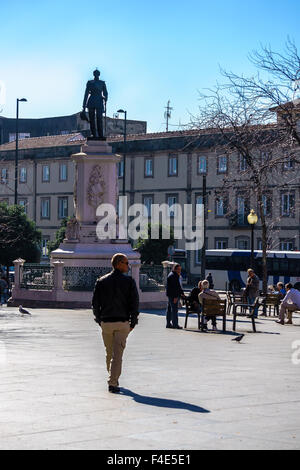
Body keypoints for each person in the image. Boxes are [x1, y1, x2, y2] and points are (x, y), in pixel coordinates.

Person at [92, 253, 139, 393]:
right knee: (117, 354)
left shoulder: (101, 281)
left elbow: (95, 303)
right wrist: (133, 322)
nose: (128, 265)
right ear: (118, 263)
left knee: (110, 352)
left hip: (106, 322)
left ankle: (112, 379)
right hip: (122, 322)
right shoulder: (129, 281)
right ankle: (113, 380)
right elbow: (134, 303)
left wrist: (99, 319)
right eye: (126, 263)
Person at [83, 69, 108, 139]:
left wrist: (106, 98)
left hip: (99, 101)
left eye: (97, 73)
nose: (96, 75)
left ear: (99, 74)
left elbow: (105, 92)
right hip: (91, 101)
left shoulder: (102, 83)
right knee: (92, 119)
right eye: (95, 73)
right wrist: (83, 106)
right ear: (94, 74)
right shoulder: (90, 82)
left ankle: (100, 135)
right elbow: (86, 94)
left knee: (99, 118)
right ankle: (93, 134)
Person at [166, 264, 185, 329]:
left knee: (169, 309)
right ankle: (175, 324)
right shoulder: (174, 276)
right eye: (179, 269)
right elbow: (175, 287)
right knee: (174, 310)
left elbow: (178, 286)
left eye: (180, 269)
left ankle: (168, 324)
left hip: (170, 295)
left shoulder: (171, 274)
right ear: (175, 269)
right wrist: (176, 296)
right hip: (173, 295)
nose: (180, 270)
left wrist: (182, 293)